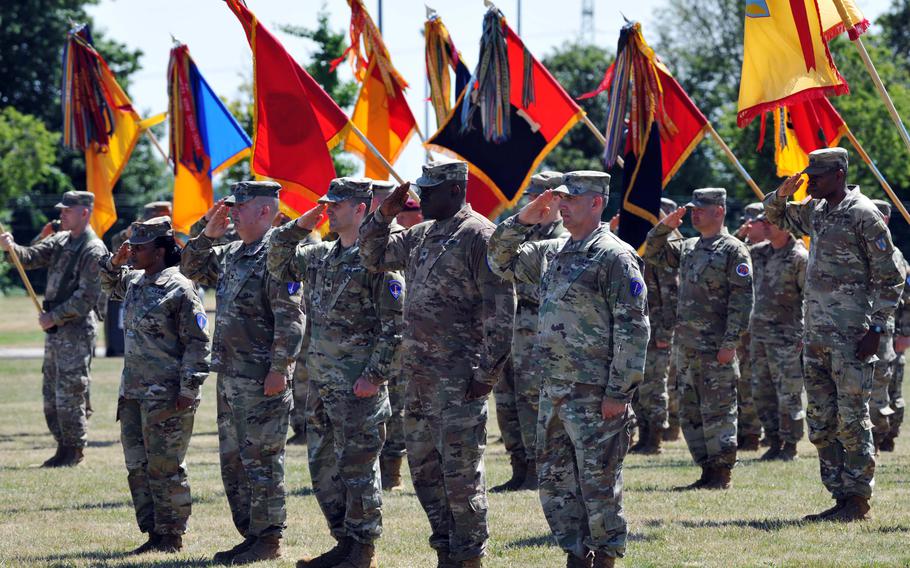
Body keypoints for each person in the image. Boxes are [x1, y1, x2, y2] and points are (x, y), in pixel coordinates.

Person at [358, 158, 515, 568]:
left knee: (461, 475)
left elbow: (502, 309)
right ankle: (445, 547)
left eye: (429, 191)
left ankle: (468, 555)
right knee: (425, 472)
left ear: (455, 191)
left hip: (460, 379)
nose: (420, 197)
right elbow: (372, 257)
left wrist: (487, 372)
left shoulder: (480, 236)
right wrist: (383, 214)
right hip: (419, 378)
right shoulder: (421, 235)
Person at [487, 171, 648, 568]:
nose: (562, 205)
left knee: (599, 483)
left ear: (596, 203)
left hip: (595, 393)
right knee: (557, 482)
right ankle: (576, 553)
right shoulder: (552, 252)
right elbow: (499, 259)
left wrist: (618, 393)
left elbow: (633, 328)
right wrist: (523, 220)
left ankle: (606, 557)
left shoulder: (615, 255)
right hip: (554, 390)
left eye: (571, 198)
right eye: (561, 198)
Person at [269, 177, 404, 568]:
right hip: (323, 387)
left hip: (359, 387)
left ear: (361, 209)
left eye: (337, 204)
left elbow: (395, 328)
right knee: (324, 469)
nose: (329, 209)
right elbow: (277, 260)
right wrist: (300, 225)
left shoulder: (379, 260)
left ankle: (362, 550)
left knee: (358, 469)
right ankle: (343, 541)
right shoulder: (321, 257)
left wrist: (375, 376)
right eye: (326, 202)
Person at [765, 148, 904, 522]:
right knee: (822, 419)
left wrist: (876, 329)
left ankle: (858, 499)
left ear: (840, 174)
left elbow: (892, 277)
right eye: (809, 175)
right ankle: (840, 495)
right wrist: (782, 193)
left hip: (852, 337)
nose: (811, 181)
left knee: (852, 418)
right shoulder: (818, 212)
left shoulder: (863, 214)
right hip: (816, 338)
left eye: (819, 175)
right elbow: (775, 215)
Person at [180, 181, 304, 563]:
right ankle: (250, 534)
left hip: (262, 376)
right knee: (233, 462)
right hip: (231, 375)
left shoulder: (280, 254)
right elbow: (190, 268)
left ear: (265, 211)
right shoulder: (233, 252)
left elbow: (291, 317)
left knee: (263, 459)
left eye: (241, 206)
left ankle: (269, 538)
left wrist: (280, 369)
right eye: (232, 206)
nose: (232, 212)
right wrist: (207, 234)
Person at [100, 217, 210, 554]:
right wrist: (114, 262)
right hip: (133, 393)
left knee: (165, 466)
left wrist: (189, 389)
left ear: (160, 251)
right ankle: (153, 531)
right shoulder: (134, 281)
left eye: (139, 247)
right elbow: (107, 283)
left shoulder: (180, 287)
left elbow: (197, 342)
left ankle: (171, 534)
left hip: (167, 395)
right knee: (137, 465)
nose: (132, 252)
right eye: (131, 246)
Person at [643, 188, 753, 490]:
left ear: (719, 211)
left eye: (701, 209)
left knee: (718, 410)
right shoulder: (690, 247)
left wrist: (730, 343)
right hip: (687, 346)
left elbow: (742, 301)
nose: (695, 213)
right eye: (692, 208)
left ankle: (721, 473)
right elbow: (651, 251)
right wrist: (666, 226)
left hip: (715, 347)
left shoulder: (734, 250)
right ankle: (706, 469)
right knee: (691, 410)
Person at [0, 190, 108, 467]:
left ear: (84, 212)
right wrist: (10, 247)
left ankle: (74, 450)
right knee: (51, 393)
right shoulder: (61, 241)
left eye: (67, 210)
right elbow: (30, 257)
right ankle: (62, 445)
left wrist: (55, 316)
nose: (61, 214)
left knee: (71, 391)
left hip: (76, 329)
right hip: (56, 329)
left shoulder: (93, 250)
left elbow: (87, 297)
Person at [490, 171, 566, 493]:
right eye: (532, 197)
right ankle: (518, 466)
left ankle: (537, 468)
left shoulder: (565, 239)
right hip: (509, 329)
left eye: (543, 197)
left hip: (540, 333)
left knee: (532, 402)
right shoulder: (519, 234)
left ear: (558, 200)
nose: (537, 204)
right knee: (507, 401)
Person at [748, 214, 807, 461]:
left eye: (770, 221)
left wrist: (806, 334)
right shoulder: (758, 253)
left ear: (786, 225)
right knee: (762, 392)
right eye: (764, 221)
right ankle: (773, 441)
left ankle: (790, 445)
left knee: (788, 394)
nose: (765, 225)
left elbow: (810, 297)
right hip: (759, 335)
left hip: (787, 338)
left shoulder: (799, 258)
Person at [369, 178, 409, 491]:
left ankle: (391, 474)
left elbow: (395, 304)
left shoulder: (394, 242)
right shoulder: (366, 240)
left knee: (394, 409)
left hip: (392, 343)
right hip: (369, 342)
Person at [631, 198, 680, 455]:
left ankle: (655, 437)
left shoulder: (664, 252)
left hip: (657, 330)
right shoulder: (636, 246)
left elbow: (671, 296)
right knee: (638, 387)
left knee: (655, 386)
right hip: (636, 329)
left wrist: (664, 333)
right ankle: (643, 434)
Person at [733, 203, 766, 451]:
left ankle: (754, 432)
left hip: (763, 329)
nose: (749, 225)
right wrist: (740, 235)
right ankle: (743, 430)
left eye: (754, 221)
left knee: (755, 382)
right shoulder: (743, 249)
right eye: (747, 221)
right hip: (741, 328)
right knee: (740, 381)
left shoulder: (769, 252)